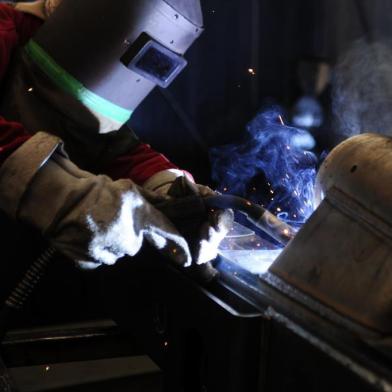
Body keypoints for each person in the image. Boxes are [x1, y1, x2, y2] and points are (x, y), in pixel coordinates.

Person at [0, 0, 231, 279]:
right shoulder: (7, 28)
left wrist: (173, 190)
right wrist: (55, 191)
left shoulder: (94, 96)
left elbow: (107, 142)